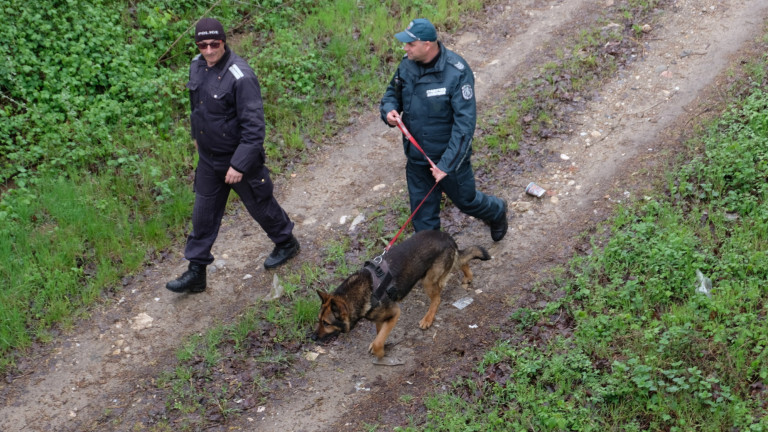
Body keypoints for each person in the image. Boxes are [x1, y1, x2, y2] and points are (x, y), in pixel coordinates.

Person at [167, 18, 299, 294]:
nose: (209, 50)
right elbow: (197, 107)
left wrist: (239, 164)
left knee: (260, 205)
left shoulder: (241, 75)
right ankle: (196, 271)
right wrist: (196, 138)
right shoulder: (196, 65)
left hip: (239, 158)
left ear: (224, 41)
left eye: (214, 44)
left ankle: (286, 241)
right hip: (208, 158)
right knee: (202, 215)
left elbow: (254, 127)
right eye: (202, 44)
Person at [379, 18, 508, 241]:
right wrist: (389, 110)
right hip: (417, 158)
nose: (405, 48)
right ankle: (430, 265)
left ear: (427, 44)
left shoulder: (456, 72)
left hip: (449, 161)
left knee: (467, 202)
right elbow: (392, 93)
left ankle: (496, 211)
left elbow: (464, 126)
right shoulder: (406, 65)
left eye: (410, 44)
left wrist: (445, 166)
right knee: (423, 220)